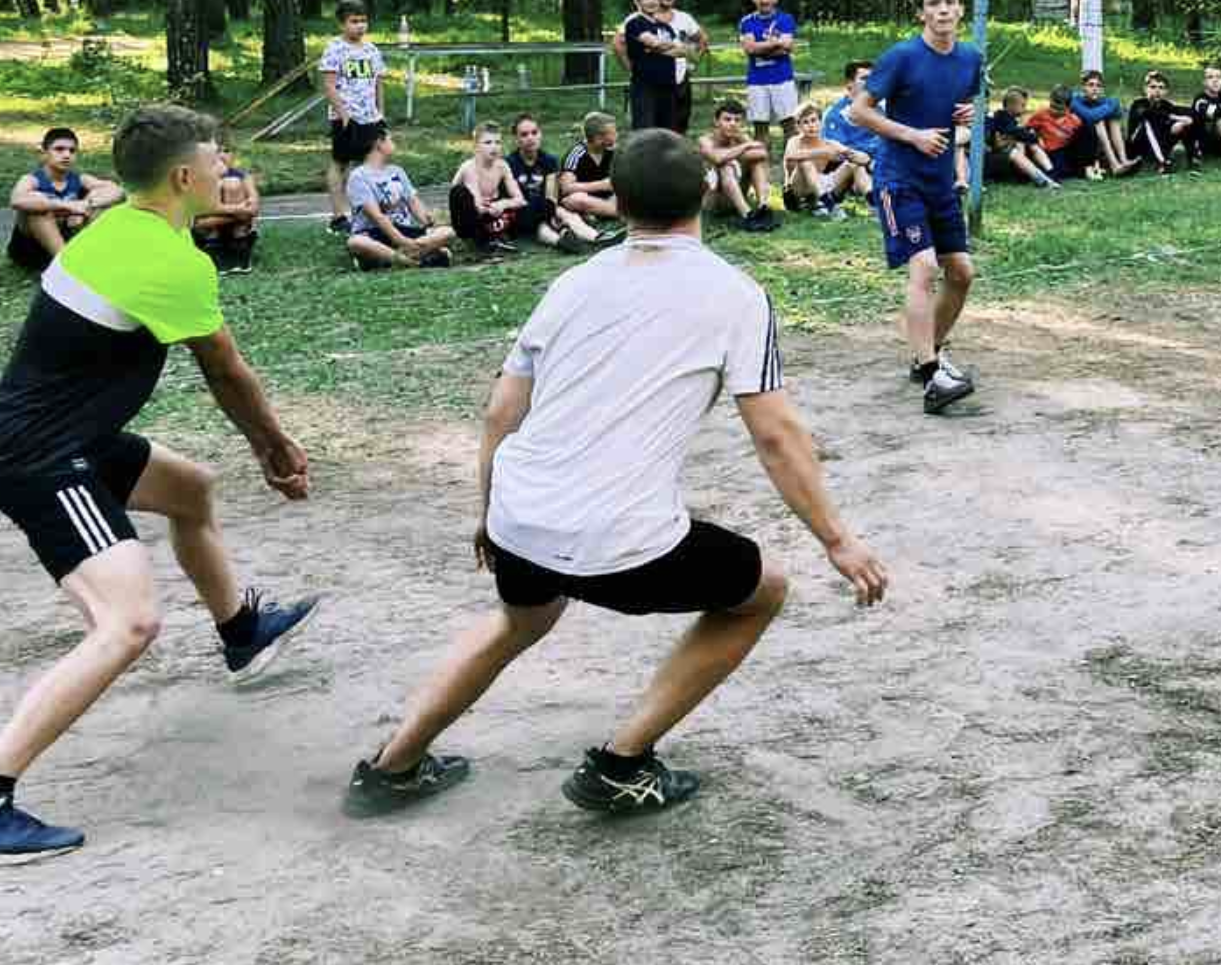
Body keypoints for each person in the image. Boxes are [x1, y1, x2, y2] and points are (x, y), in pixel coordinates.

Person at [343, 128, 888, 823]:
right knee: (762, 588)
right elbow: (776, 434)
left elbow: (501, 409)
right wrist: (837, 539)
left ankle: (392, 765)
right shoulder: (735, 294)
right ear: (702, 194)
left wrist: (489, 513)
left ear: (616, 202)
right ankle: (621, 763)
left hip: (520, 513)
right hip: (618, 540)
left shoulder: (574, 281)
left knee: (521, 615)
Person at [0, 104, 318, 865]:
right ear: (182, 176)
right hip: (41, 459)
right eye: (214, 160)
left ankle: (240, 631)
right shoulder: (170, 259)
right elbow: (226, 371)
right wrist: (275, 445)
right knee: (128, 624)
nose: (223, 170)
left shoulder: (123, 227)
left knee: (191, 488)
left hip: (73, 439)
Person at [849, 0, 982, 416]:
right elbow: (859, 110)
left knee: (961, 272)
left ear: (961, 11)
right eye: (934, 3)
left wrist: (966, 114)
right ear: (921, 13)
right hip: (897, 178)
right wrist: (912, 135)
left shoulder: (970, 58)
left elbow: (963, 109)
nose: (943, 10)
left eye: (950, 3)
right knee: (924, 266)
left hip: (940, 181)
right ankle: (931, 375)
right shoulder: (902, 56)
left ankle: (931, 352)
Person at [6, 128, 126, 272]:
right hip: (31, 250)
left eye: (72, 151)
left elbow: (116, 190)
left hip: (68, 238)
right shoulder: (32, 179)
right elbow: (16, 200)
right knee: (38, 204)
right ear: (44, 153)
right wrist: (67, 206)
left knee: (99, 199)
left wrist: (85, 205)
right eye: (59, 149)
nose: (66, 155)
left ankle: (90, 256)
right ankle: (67, 266)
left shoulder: (79, 178)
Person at [320, 0, 388, 234]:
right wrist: (343, 114)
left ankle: (367, 212)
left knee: (369, 165)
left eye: (363, 21)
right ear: (342, 24)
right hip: (346, 118)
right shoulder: (335, 48)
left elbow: (379, 83)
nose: (359, 26)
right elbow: (328, 85)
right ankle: (338, 216)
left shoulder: (371, 50)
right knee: (340, 163)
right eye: (354, 21)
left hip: (370, 117)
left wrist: (381, 113)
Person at [345, 128, 458, 270]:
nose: (393, 143)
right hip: (374, 232)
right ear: (379, 143)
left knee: (448, 232)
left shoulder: (397, 171)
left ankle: (392, 259)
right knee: (355, 242)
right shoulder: (358, 176)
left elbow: (413, 202)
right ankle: (415, 260)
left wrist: (430, 222)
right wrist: (401, 241)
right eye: (390, 139)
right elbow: (377, 217)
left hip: (405, 230)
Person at [505, 113, 608, 249]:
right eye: (524, 135)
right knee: (554, 215)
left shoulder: (549, 161)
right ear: (516, 139)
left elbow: (551, 194)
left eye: (534, 133)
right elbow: (516, 199)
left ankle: (593, 238)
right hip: (521, 213)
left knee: (560, 214)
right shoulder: (509, 164)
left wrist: (552, 210)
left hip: (546, 209)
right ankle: (570, 237)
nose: (531, 138)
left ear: (540, 134)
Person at [450, 124, 540, 257]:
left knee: (533, 199)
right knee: (459, 192)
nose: (494, 147)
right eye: (488, 142)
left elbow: (521, 200)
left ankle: (500, 233)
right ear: (476, 147)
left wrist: (503, 204)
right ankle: (483, 240)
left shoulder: (502, 165)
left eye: (498, 142)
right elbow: (478, 207)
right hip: (470, 217)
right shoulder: (470, 168)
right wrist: (495, 207)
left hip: (492, 210)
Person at [695, 102, 781, 232]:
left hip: (736, 194)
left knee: (756, 162)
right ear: (716, 121)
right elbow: (717, 159)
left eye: (737, 120)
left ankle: (763, 207)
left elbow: (763, 154)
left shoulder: (740, 137)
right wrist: (745, 147)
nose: (732, 124)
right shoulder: (705, 140)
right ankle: (747, 216)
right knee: (726, 166)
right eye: (727, 119)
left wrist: (734, 152)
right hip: (714, 202)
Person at [779, 99, 875, 215]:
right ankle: (827, 204)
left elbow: (864, 158)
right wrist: (824, 153)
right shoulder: (794, 141)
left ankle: (874, 202)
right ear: (798, 127)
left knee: (854, 165)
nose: (811, 126)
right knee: (805, 163)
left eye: (814, 121)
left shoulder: (829, 143)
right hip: (797, 192)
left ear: (821, 122)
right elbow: (790, 155)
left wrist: (850, 155)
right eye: (805, 122)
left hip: (822, 184)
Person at [615, 0, 687, 137]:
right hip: (645, 86)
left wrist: (656, 49)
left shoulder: (666, 27)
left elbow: (682, 51)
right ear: (638, 2)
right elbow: (654, 43)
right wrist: (662, 46)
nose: (651, 1)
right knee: (645, 132)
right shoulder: (635, 22)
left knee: (667, 132)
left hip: (668, 86)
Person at [736, 0, 802, 147]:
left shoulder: (785, 19)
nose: (765, 0)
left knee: (789, 124)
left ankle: (791, 161)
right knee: (760, 127)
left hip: (782, 78)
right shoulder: (747, 22)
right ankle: (762, 163)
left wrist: (761, 48)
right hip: (757, 81)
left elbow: (786, 48)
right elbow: (750, 49)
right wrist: (775, 44)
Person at [192, 140, 262, 274]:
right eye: (216, 151)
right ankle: (215, 246)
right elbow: (198, 218)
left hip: (236, 227)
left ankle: (238, 247)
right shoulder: (196, 179)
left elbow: (254, 208)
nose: (222, 156)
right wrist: (239, 211)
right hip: (207, 230)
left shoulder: (244, 176)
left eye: (226, 151)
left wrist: (245, 212)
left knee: (233, 184)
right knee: (220, 184)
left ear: (234, 156)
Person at [557, 113, 627, 241]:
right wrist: (602, 185)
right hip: (587, 199)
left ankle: (604, 212)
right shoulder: (577, 154)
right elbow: (566, 188)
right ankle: (624, 213)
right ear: (598, 138)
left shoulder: (613, 151)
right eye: (613, 132)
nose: (617, 135)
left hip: (608, 199)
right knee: (575, 199)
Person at [984, 89, 1064, 189]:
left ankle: (1051, 172)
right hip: (996, 155)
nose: (1024, 109)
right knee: (1023, 142)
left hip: (1005, 153)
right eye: (1022, 105)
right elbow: (1016, 132)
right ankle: (1040, 178)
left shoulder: (1012, 119)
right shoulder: (1001, 116)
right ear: (1011, 105)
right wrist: (1035, 138)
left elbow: (1020, 133)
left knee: (1028, 143)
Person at [1126, 71, 1200, 174]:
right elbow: (1151, 114)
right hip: (1138, 146)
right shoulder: (1138, 104)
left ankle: (1193, 158)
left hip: (1160, 142)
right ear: (1145, 89)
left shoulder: (1166, 105)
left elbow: (1187, 112)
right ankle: (1163, 162)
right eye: (1153, 87)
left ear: (1166, 91)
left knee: (1185, 122)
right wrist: (1176, 118)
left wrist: (1185, 121)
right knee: (1149, 122)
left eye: (1161, 88)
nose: (1157, 91)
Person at [1069, 70, 1140, 176]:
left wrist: (1112, 105)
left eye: (1098, 86)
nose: (1095, 89)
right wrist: (1111, 105)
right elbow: (1091, 116)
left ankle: (1123, 160)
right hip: (1078, 146)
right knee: (1098, 121)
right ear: (1083, 87)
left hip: (1098, 145)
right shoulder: (1075, 100)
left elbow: (1117, 113)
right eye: (1091, 85)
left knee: (1113, 120)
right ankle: (1114, 165)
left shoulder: (1104, 101)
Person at [658, 0, 705, 134]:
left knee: (680, 126)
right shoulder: (644, 18)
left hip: (680, 81)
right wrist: (631, 67)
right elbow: (619, 43)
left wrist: (693, 64)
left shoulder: (684, 18)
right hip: (654, 82)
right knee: (657, 128)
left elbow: (702, 39)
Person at [1027, 86, 1099, 178]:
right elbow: (1028, 129)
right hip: (1051, 152)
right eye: (1052, 107)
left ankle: (1088, 167)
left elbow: (1083, 139)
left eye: (1059, 109)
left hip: (1067, 150)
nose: (1054, 111)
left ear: (1068, 107)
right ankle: (1070, 171)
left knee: (1088, 127)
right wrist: (1038, 138)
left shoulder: (1073, 118)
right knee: (1060, 170)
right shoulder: (1041, 115)